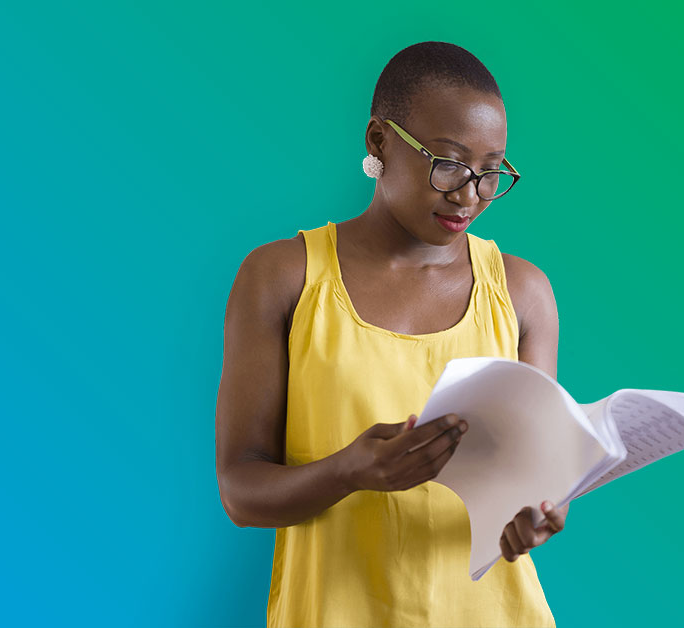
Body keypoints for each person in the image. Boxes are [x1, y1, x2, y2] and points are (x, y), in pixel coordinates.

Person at [216, 41, 569, 627]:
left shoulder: (522, 292)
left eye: (490, 172)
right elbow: (240, 491)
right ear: (379, 142)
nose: (468, 194)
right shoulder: (283, 276)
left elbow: (537, 480)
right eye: (449, 163)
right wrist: (349, 471)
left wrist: (538, 516)